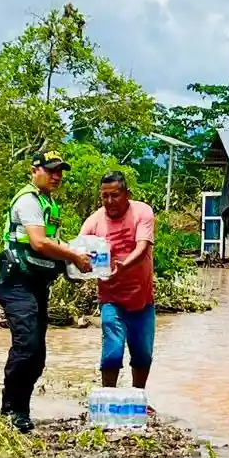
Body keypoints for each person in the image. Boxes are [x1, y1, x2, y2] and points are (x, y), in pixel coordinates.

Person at [0, 150, 93, 433]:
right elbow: (38, 243)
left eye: (60, 171)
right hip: (16, 283)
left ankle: (17, 411)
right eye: (51, 171)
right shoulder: (28, 201)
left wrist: (73, 264)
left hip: (36, 284)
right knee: (27, 346)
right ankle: (12, 412)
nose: (57, 176)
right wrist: (73, 256)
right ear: (34, 169)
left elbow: (52, 247)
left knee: (37, 354)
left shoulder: (48, 203)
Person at [80, 171, 156, 411]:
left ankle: (138, 400)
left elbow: (142, 247)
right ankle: (107, 400)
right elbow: (80, 254)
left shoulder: (142, 212)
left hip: (143, 297)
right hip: (111, 298)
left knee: (143, 354)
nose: (110, 201)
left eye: (115, 195)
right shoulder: (93, 222)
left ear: (127, 194)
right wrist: (79, 267)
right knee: (112, 352)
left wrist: (124, 267)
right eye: (105, 197)